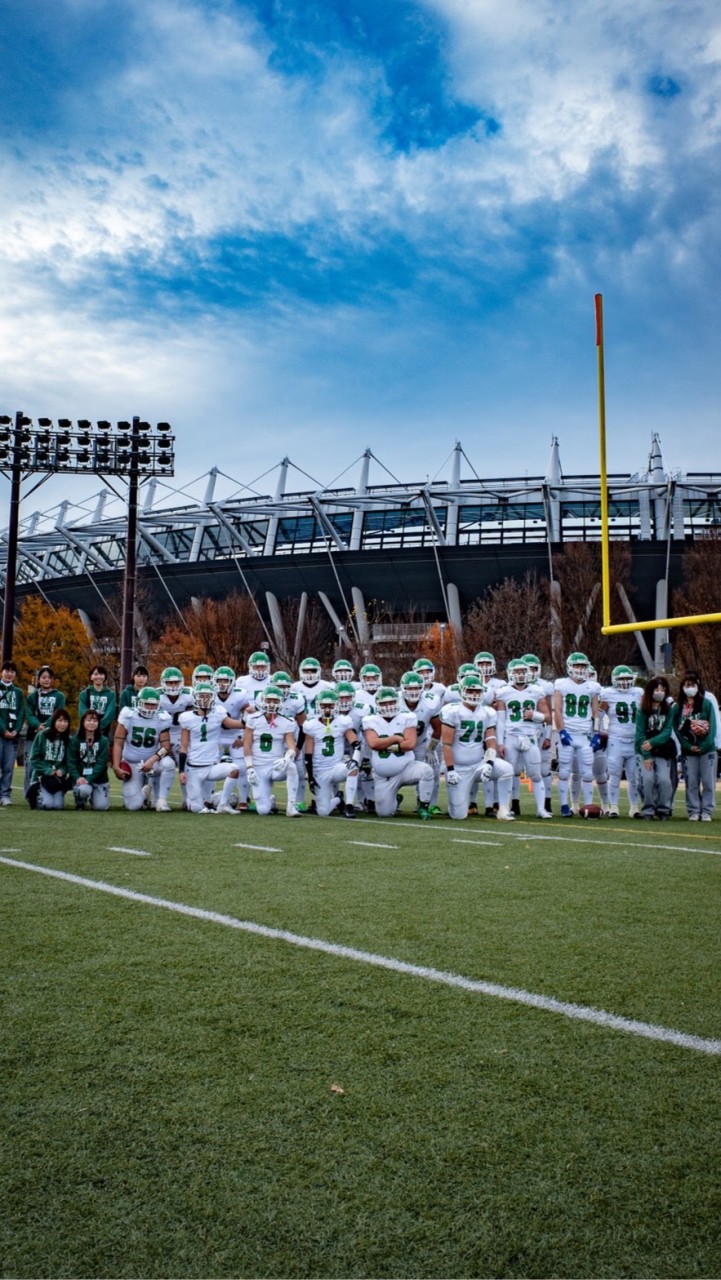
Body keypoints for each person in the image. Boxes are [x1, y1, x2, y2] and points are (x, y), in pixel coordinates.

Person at [441, 674, 514, 821]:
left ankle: (503, 809)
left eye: (478, 692)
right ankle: (455, 805)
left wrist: (489, 763)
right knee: (458, 815)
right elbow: (446, 744)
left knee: (507, 769)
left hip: (478, 764)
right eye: (470, 691)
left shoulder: (487, 712)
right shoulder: (452, 711)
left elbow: (490, 739)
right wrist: (450, 770)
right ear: (462, 692)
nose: (474, 695)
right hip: (459, 769)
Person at [113, 687, 175, 811]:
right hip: (132, 763)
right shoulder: (128, 715)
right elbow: (118, 743)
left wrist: (152, 760)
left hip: (153, 763)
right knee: (133, 806)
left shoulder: (163, 718)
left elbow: (166, 747)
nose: (150, 708)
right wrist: (116, 766)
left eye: (153, 705)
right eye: (147, 704)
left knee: (169, 764)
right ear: (139, 702)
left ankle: (161, 800)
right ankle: (145, 792)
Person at [673, 671, 717, 821]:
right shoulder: (678, 707)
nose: (690, 688)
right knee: (691, 782)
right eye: (686, 685)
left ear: (698, 686)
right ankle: (693, 810)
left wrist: (705, 745)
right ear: (682, 687)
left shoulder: (706, 703)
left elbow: (713, 727)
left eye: (692, 685)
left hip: (707, 750)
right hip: (689, 751)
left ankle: (707, 811)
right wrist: (686, 745)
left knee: (708, 782)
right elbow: (676, 728)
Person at [634, 677, 677, 820]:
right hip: (644, 750)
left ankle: (664, 809)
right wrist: (646, 756)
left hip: (662, 750)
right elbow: (640, 735)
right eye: (657, 689)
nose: (660, 692)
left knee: (665, 780)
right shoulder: (642, 710)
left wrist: (652, 742)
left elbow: (666, 731)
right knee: (647, 780)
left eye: (663, 690)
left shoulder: (668, 709)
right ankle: (648, 810)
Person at [24, 666, 66, 798]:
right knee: (30, 765)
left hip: (51, 735)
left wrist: (47, 726)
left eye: (49, 677)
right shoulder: (32, 696)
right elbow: (29, 713)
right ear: (39, 679)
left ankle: (48, 792)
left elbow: (58, 713)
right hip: (33, 734)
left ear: (53, 680)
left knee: (49, 763)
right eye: (43, 677)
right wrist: (37, 725)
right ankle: (29, 794)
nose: (46, 680)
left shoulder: (59, 696)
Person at [28, 707, 72, 809]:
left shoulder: (68, 740)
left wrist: (62, 770)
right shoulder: (42, 735)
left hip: (57, 779)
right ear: (54, 721)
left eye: (65, 721)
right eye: (60, 720)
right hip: (41, 777)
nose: (63, 724)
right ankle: (36, 792)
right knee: (46, 805)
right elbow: (34, 758)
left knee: (58, 806)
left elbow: (68, 762)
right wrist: (48, 770)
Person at [68, 710, 110, 810]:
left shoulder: (103, 741)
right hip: (81, 778)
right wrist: (78, 777)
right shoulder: (74, 740)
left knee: (101, 807)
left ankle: (94, 798)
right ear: (83, 722)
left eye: (95, 720)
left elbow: (101, 763)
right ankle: (80, 800)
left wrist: (89, 779)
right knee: (83, 790)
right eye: (89, 720)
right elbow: (71, 762)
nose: (92, 723)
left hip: (99, 779)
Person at [0, 660, 26, 806]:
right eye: (7, 671)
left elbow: (21, 712)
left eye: (12, 671)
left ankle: (5, 794)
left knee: (8, 766)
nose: (9, 674)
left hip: (13, 735)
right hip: (1, 733)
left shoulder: (18, 692)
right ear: (1, 672)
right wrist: (3, 730)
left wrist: (16, 729)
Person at [78, 666, 117, 738]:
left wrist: (99, 725)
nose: (98, 677)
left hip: (104, 731)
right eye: (95, 674)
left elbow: (110, 712)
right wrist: (90, 724)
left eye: (101, 674)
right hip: (86, 730)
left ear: (105, 677)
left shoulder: (111, 694)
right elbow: (82, 711)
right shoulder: (84, 693)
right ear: (91, 677)